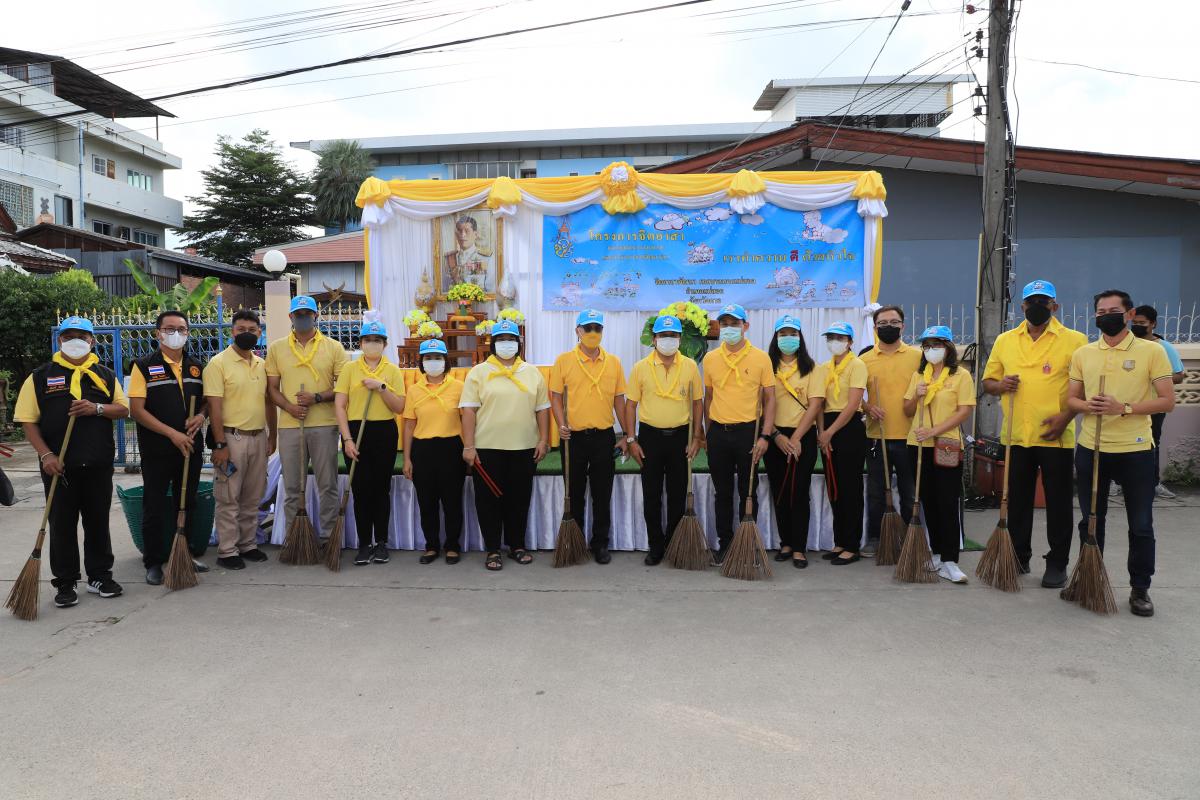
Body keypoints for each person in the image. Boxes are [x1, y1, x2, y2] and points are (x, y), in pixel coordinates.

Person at [1067, 289, 1175, 617]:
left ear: (1129, 314)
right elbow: (1071, 399)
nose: (1106, 316)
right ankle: (1088, 580)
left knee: (1140, 524)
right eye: (1100, 312)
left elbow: (1167, 400)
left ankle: (1140, 588)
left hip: (1136, 450)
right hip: (1092, 448)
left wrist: (1123, 408)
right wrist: (1087, 405)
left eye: (1113, 310)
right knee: (1091, 520)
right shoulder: (1084, 353)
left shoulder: (1152, 351)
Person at [13, 316, 129, 608]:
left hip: (98, 463)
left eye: (82, 336)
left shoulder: (105, 375)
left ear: (92, 341)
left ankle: (99, 576)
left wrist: (96, 408)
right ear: (59, 340)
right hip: (59, 467)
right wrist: (46, 455)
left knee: (98, 522)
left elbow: (123, 409)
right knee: (62, 525)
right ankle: (65, 582)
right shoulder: (40, 377)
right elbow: (28, 420)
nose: (75, 341)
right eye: (69, 336)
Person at [982, 280, 1086, 588]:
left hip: (1056, 435)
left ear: (1055, 306)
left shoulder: (1075, 340)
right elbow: (989, 382)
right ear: (1023, 306)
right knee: (1017, 502)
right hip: (1016, 435)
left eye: (1044, 301)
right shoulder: (1005, 340)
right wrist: (1001, 385)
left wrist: (1065, 418)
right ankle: (1018, 556)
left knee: (1058, 504)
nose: (1037, 306)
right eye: (1032, 302)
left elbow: (1084, 387)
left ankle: (1057, 562)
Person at [459, 320, 550, 571]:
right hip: (487, 448)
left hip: (524, 447)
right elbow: (468, 411)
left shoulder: (532, 372)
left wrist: (543, 440)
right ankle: (492, 549)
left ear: (518, 344)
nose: (506, 344)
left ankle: (517, 545)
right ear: (493, 344)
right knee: (488, 500)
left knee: (519, 499)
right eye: (501, 340)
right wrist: (469, 446)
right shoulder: (478, 372)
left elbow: (542, 409)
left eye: (511, 340)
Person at [129, 310, 208, 585]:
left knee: (187, 502)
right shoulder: (143, 366)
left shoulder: (196, 366)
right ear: (158, 333)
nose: (176, 334)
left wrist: (201, 416)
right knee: (154, 504)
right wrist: (172, 434)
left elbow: (206, 402)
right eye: (170, 329)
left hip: (190, 447)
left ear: (188, 333)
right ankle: (153, 561)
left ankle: (184, 554)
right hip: (157, 449)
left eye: (182, 329)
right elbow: (137, 410)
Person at [266, 295, 348, 547]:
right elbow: (271, 389)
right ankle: (295, 539)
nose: (302, 318)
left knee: (327, 485)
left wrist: (317, 397)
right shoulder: (277, 348)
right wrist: (289, 407)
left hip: (324, 424)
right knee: (292, 487)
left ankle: (328, 538)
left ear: (315, 316)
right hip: (290, 426)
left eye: (307, 314)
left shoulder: (334, 347)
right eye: (298, 314)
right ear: (290, 317)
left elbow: (343, 387)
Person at [624, 314, 704, 565]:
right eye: (663, 335)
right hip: (650, 437)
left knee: (678, 494)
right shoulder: (640, 367)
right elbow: (630, 406)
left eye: (672, 335)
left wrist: (697, 437)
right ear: (654, 339)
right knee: (652, 495)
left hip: (681, 436)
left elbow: (698, 403)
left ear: (679, 338)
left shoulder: (690, 366)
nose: (668, 339)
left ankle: (673, 544)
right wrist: (631, 440)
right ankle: (656, 546)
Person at [549, 309, 628, 564]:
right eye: (588, 328)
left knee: (602, 494)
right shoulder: (563, 361)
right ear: (578, 331)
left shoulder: (613, 362)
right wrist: (561, 424)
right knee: (574, 493)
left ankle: (600, 544)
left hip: (604, 437)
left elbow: (619, 401)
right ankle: (575, 542)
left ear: (602, 332)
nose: (593, 333)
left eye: (597, 328)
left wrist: (627, 434)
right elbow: (555, 397)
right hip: (573, 438)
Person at [702, 304, 776, 563]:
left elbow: (770, 399)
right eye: (724, 324)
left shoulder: (761, 358)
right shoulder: (711, 359)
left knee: (748, 490)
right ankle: (725, 543)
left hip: (749, 432)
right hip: (718, 433)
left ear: (746, 326)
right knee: (722, 492)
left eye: (734, 324)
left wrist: (765, 436)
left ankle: (747, 544)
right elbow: (709, 397)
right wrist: (707, 433)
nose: (729, 328)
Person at [902, 325, 976, 584]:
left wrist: (934, 431)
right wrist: (917, 396)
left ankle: (950, 559)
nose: (931, 349)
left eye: (936, 344)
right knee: (929, 501)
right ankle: (936, 552)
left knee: (947, 501)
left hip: (946, 444)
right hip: (918, 445)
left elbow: (964, 411)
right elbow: (907, 410)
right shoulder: (918, 376)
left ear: (948, 347)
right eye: (926, 345)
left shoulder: (961, 375)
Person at [204, 310, 277, 570]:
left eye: (252, 330)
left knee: (253, 496)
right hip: (230, 438)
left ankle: (248, 544)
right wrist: (219, 444)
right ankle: (227, 550)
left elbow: (269, 403)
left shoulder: (262, 364)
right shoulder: (218, 364)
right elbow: (214, 407)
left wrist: (273, 435)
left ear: (259, 333)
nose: (247, 333)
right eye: (241, 329)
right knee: (228, 497)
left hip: (258, 437)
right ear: (232, 331)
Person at [335, 315, 406, 566]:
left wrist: (381, 387)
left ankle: (382, 542)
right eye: (368, 340)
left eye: (377, 340)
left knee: (380, 489)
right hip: (356, 431)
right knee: (361, 489)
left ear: (384, 344)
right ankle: (364, 543)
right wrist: (347, 439)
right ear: (361, 343)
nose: (372, 344)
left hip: (384, 432)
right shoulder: (349, 369)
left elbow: (399, 407)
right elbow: (340, 406)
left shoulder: (392, 370)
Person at [764, 315, 825, 569]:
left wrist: (797, 437)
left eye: (792, 334)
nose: (788, 338)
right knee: (779, 490)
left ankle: (799, 547)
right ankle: (786, 543)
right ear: (775, 338)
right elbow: (760, 405)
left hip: (803, 436)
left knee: (799, 491)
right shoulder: (766, 366)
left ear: (800, 337)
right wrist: (776, 436)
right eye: (783, 334)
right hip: (774, 435)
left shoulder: (813, 368)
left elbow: (815, 405)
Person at [861, 305, 922, 558]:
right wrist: (868, 407)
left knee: (910, 492)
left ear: (903, 326)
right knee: (876, 492)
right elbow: (852, 395)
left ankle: (911, 539)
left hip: (910, 437)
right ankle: (876, 537)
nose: (889, 326)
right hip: (877, 436)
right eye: (883, 323)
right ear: (875, 328)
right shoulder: (864, 360)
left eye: (894, 322)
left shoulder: (918, 357)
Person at [403, 339, 466, 565]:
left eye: (437, 357)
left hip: (451, 448)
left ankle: (452, 545)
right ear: (421, 362)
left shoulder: (459, 387)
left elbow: (467, 420)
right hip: (423, 449)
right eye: (428, 358)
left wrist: (469, 447)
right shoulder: (414, 390)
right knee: (426, 501)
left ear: (445, 360)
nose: (433, 362)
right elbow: (409, 425)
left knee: (452, 501)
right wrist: (407, 458)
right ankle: (431, 546)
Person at [817, 321, 868, 565]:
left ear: (850, 342)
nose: (835, 342)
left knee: (850, 487)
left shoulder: (857, 365)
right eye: (831, 337)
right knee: (834, 486)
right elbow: (818, 403)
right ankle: (839, 541)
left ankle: (852, 545)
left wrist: (830, 432)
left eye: (840, 338)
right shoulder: (823, 368)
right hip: (827, 426)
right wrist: (822, 433)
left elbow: (853, 404)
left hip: (848, 427)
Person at [1131, 305, 1186, 500]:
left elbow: (1179, 375)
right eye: (1134, 323)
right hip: (1127, 403)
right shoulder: (1127, 344)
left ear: (1153, 324)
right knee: (1121, 442)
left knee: (1151, 443)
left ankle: (1153, 483)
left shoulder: (1164, 347)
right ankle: (1118, 482)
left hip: (1154, 405)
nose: (1137, 326)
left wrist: (1155, 378)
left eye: (1142, 323)